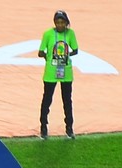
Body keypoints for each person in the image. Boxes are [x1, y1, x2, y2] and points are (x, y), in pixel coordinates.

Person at [38, 10, 79, 139]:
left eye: (62, 22)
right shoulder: (48, 34)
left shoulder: (70, 33)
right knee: (47, 99)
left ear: (66, 22)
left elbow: (75, 50)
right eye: (58, 22)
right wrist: (49, 57)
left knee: (67, 100)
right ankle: (43, 127)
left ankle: (69, 128)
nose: (60, 25)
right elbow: (40, 52)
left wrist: (65, 55)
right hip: (51, 72)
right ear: (54, 22)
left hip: (66, 71)